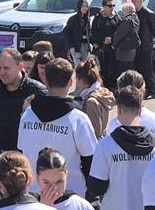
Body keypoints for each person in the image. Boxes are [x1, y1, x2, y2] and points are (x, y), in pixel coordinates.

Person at [18, 58, 98, 194]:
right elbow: (91, 160)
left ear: (45, 80)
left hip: (35, 192)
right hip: (70, 193)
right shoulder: (78, 119)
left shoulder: (27, 115)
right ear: (71, 82)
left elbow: (21, 153)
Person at [0, 48, 41, 169]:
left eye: (6, 68)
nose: (2, 72)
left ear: (20, 66)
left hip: (28, 163)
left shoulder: (37, 91)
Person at [73, 57, 114, 138]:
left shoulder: (91, 102)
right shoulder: (101, 92)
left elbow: (95, 131)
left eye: (77, 78)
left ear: (82, 80)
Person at [128, 0, 155, 94]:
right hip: (135, 46)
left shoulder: (149, 13)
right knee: (136, 69)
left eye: (135, 1)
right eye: (132, 1)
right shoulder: (132, 13)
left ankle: (150, 91)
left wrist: (148, 39)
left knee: (147, 69)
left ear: (141, 2)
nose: (133, 3)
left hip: (146, 47)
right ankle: (137, 90)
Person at [89, 0, 122, 68]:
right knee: (102, 69)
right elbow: (93, 31)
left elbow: (120, 31)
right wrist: (103, 39)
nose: (112, 8)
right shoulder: (98, 17)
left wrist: (111, 38)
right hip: (101, 48)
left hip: (113, 48)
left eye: (113, 5)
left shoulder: (116, 17)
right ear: (104, 6)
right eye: (110, 6)